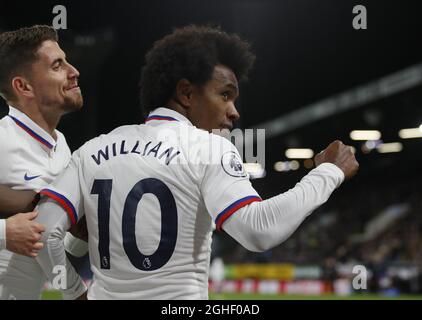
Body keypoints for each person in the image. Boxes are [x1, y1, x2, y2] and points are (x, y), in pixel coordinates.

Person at [34, 25, 359, 299]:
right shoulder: (209, 148)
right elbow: (259, 230)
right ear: (186, 94)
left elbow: (44, 232)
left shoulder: (92, 151)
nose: (234, 111)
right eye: (225, 95)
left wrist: (75, 293)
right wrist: (328, 173)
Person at [0, 25, 87, 300]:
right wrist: (4, 231)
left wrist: (82, 232)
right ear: (23, 86)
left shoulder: (61, 146)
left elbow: (60, 242)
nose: (74, 72)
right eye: (57, 65)